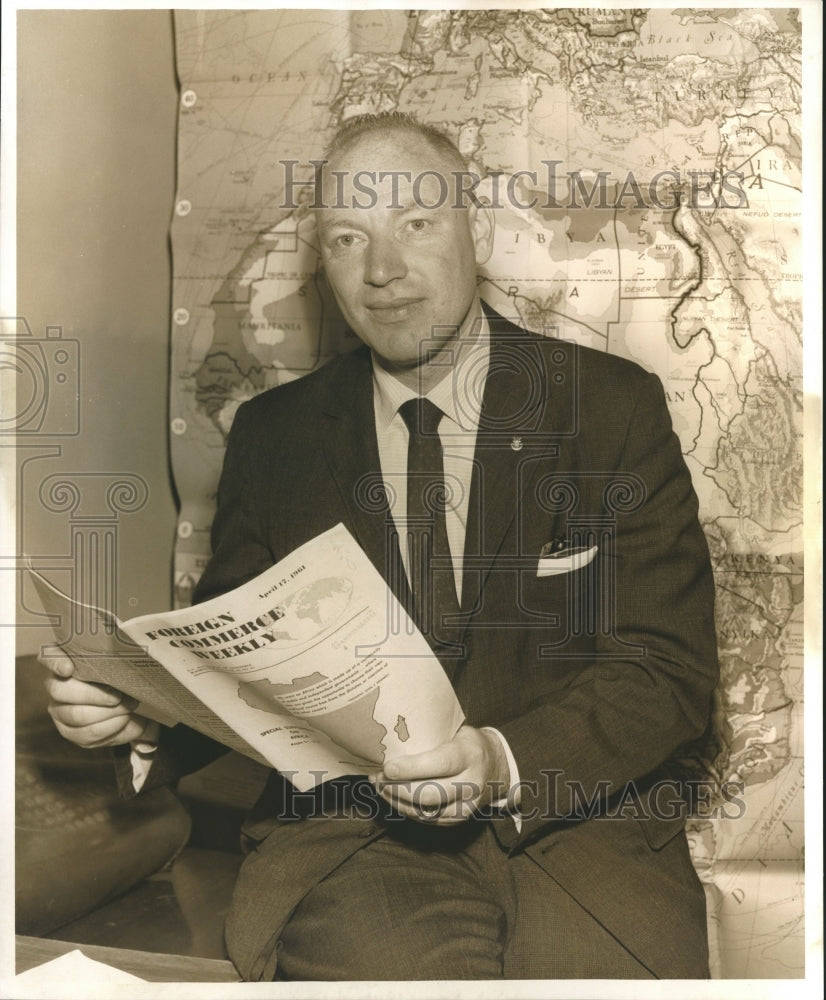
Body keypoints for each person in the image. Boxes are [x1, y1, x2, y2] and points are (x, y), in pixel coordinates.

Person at [44, 112, 719, 981]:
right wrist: (142, 714)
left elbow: (665, 668)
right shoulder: (273, 436)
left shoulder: (611, 407)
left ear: (474, 227)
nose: (383, 270)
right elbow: (242, 671)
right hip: (357, 843)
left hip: (581, 830)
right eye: (347, 237)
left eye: (416, 223)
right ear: (323, 265)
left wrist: (497, 761)